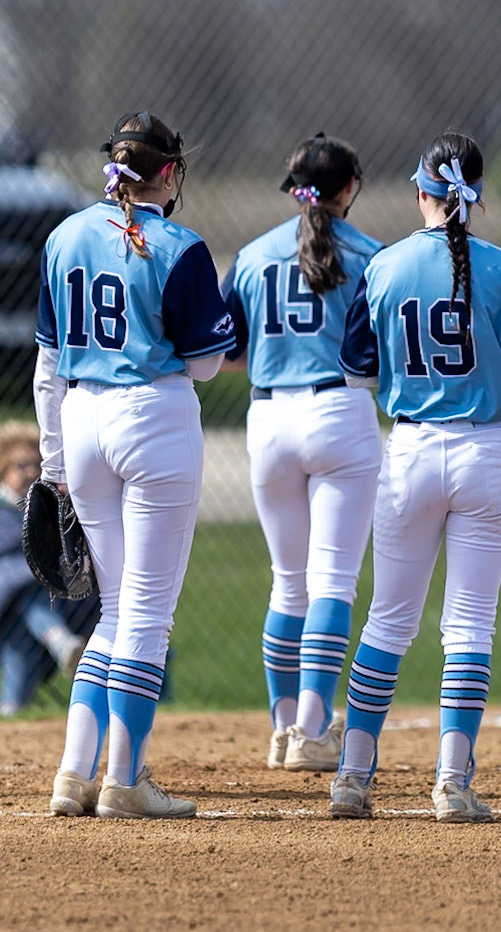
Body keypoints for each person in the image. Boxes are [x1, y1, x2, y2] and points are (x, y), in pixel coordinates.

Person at [331, 132, 501, 821]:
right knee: (468, 626)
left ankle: (351, 776)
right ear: (476, 195)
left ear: (421, 193)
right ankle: (452, 784)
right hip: (484, 452)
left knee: (388, 621)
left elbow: (356, 371)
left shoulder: (384, 265)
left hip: (410, 450)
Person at [34, 112, 235, 818]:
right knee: (147, 615)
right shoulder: (181, 246)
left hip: (81, 419)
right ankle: (123, 781)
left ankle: (71, 774)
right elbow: (206, 364)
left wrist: (53, 461)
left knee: (117, 609)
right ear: (169, 173)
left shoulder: (63, 236)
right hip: (153, 417)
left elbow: (48, 367)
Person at [221, 134, 382, 772]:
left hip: (269, 415)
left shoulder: (254, 254)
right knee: (332, 581)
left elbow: (227, 354)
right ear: (349, 188)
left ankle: (282, 728)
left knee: (288, 582)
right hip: (340, 410)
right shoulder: (371, 254)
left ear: (294, 190)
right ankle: (313, 731)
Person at [0, 422, 89, 716]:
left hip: (47, 608)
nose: (30, 472)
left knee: (23, 623)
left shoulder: (48, 507)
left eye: (36, 465)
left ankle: (12, 707)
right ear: (3, 469)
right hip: (6, 602)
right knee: (29, 590)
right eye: (21, 465)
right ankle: (61, 643)